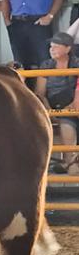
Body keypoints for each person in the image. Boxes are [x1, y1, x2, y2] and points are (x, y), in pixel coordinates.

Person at [1, 0, 64, 90]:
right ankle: (25, 97)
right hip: (16, 22)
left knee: (44, 62)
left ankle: (43, 100)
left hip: (39, 22)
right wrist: (7, 20)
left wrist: (50, 16)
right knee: (20, 63)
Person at [34, 32, 79, 174]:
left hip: (74, 104)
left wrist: (74, 104)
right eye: (51, 47)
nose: (51, 49)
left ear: (67, 49)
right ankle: (70, 162)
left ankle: (70, 162)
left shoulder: (77, 63)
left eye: (56, 46)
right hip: (55, 106)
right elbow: (40, 93)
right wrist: (49, 111)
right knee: (66, 122)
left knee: (69, 117)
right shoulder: (46, 65)